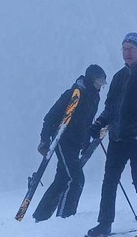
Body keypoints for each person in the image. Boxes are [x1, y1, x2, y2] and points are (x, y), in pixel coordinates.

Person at [86, 32, 137, 237]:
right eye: (124, 49)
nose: (127, 53)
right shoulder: (119, 77)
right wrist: (99, 124)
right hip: (118, 138)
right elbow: (111, 107)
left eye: (131, 49)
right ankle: (104, 223)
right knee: (109, 181)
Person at [32, 64, 107, 222]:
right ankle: (65, 219)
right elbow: (50, 117)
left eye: (103, 83)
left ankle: (40, 217)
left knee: (62, 179)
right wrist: (44, 139)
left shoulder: (94, 97)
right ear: (91, 79)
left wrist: (86, 142)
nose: (101, 86)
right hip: (63, 141)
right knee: (76, 179)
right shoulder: (74, 94)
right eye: (99, 81)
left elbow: (86, 123)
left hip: (75, 144)